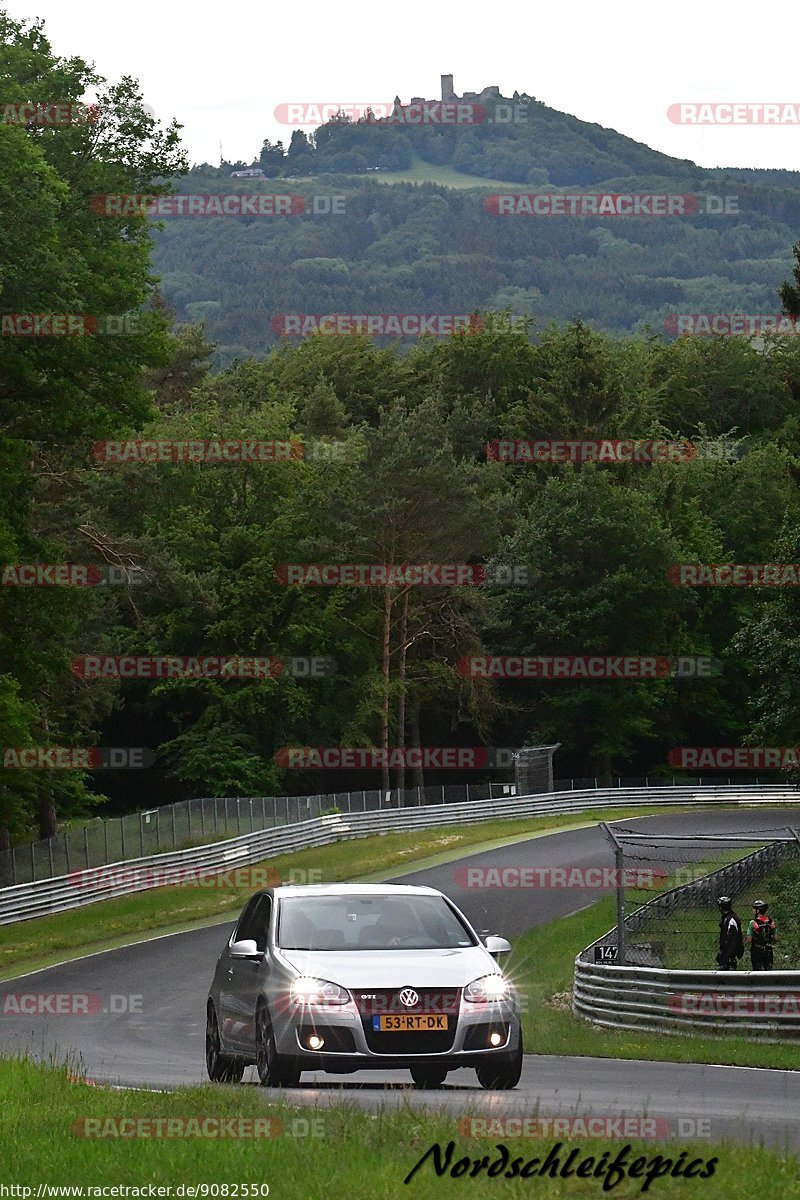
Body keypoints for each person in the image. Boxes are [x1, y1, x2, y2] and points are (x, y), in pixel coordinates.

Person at [747, 900, 777, 970]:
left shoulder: (753, 922)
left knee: (758, 970)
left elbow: (749, 939)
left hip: (757, 950)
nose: (753, 910)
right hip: (768, 949)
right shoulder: (771, 922)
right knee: (768, 969)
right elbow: (776, 938)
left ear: (758, 911)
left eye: (754, 909)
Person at [715, 896, 744, 969]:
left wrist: (727, 955)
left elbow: (732, 939)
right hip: (727, 952)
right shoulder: (726, 918)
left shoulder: (731, 919)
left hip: (729, 954)